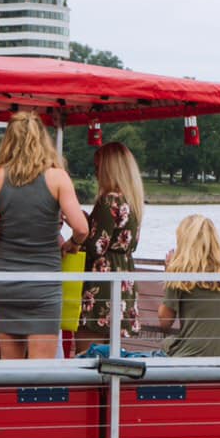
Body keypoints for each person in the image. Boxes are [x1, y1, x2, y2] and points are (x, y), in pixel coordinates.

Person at [0, 112, 88, 360]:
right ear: (42, 140)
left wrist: (8, 232)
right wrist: (72, 245)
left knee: (10, 368)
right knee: (41, 371)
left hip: (6, 283)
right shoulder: (57, 177)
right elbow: (81, 228)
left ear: (9, 141)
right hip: (43, 284)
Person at [74, 142, 144, 356]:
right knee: (113, 355)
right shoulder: (132, 201)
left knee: (86, 353)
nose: (95, 173)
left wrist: (79, 227)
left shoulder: (108, 201)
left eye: (98, 168)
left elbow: (97, 246)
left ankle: (88, 390)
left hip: (101, 283)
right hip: (124, 280)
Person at [157, 215, 220, 358]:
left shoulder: (181, 274)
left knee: (164, 345)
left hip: (190, 359)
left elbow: (164, 322)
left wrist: (169, 274)